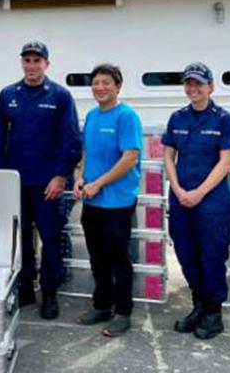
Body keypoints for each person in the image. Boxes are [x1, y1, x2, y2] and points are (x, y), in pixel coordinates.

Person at [0, 41, 82, 320]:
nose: (31, 66)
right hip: (15, 182)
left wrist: (60, 176)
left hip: (47, 184)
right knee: (19, 238)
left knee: (51, 238)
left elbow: (71, 140)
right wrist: (2, 178)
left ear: (46, 65)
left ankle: (49, 292)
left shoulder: (60, 96)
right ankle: (25, 287)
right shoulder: (8, 95)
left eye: (36, 61)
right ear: (22, 63)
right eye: (27, 60)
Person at [162, 62, 230, 340]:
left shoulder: (223, 119)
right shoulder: (177, 118)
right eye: (188, 83)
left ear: (210, 86)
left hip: (211, 202)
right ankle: (199, 305)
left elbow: (226, 161)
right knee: (186, 254)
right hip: (182, 198)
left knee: (211, 256)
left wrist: (199, 192)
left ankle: (214, 313)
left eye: (198, 83)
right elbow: (169, 155)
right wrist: (178, 188)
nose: (193, 88)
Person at [74, 64, 142, 337]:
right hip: (92, 202)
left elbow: (130, 158)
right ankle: (101, 304)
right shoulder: (91, 116)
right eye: (96, 83)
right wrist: (79, 176)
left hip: (117, 202)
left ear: (118, 86)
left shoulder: (126, 117)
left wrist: (98, 184)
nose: (100, 88)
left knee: (119, 259)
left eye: (106, 83)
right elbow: (86, 152)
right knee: (97, 258)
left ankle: (123, 311)